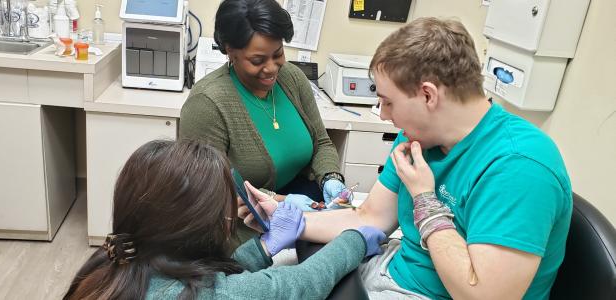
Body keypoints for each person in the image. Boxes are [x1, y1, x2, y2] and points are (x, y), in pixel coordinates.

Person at [240, 17, 572, 300]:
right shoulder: (419, 135)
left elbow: (484, 294)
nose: (383, 115)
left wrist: (425, 201)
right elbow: (368, 218)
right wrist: (289, 221)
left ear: (428, 95)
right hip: (394, 270)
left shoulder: (519, 166)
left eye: (388, 102)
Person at [63, 139, 386, 300]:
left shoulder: (111, 265)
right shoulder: (212, 294)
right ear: (202, 230)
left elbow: (205, 278)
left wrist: (264, 247)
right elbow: (298, 284)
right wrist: (354, 239)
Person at [179, 0, 349, 226]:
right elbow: (209, 191)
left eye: (277, 54)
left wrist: (330, 178)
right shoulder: (207, 104)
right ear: (231, 51)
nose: (271, 68)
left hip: (302, 207)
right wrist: (279, 202)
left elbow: (321, 143)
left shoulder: (292, 78)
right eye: (257, 60)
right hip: (243, 225)